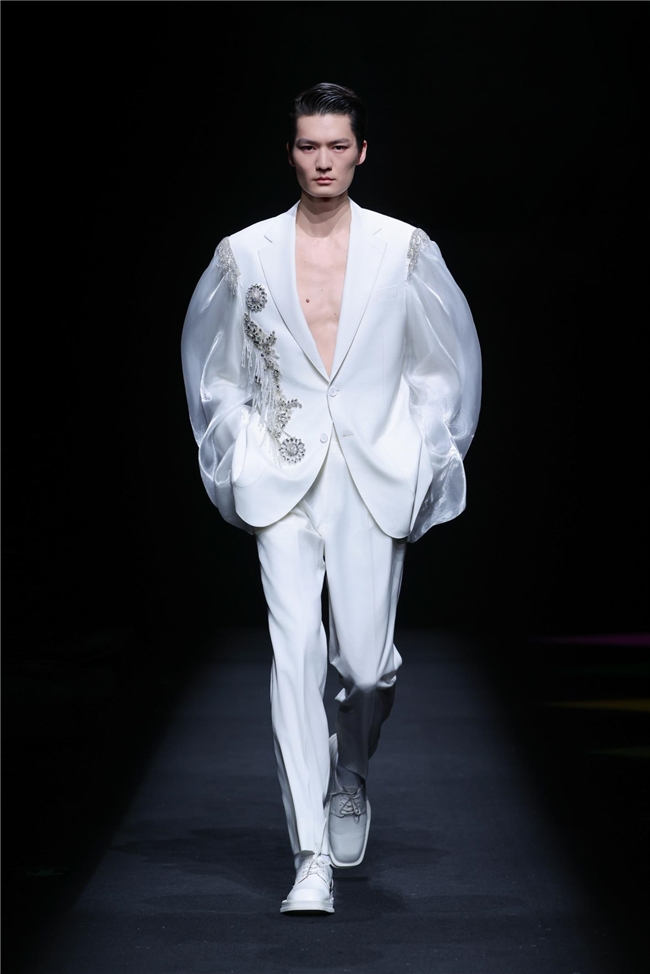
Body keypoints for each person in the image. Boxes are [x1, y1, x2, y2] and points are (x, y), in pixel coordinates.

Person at [180, 82, 482, 915]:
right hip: (282, 477)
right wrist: (240, 451)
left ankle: (351, 771)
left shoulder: (403, 249)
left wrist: (423, 452)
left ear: (361, 152)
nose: (323, 161)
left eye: (337, 146)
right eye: (309, 146)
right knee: (296, 660)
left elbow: (445, 365)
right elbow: (212, 373)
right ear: (290, 153)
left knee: (366, 669)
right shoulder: (244, 253)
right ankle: (310, 856)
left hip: (368, 474)